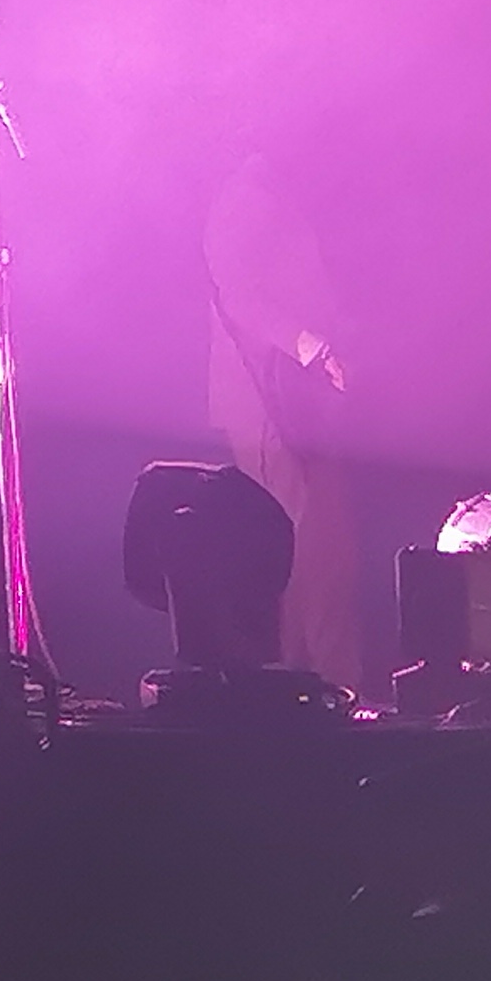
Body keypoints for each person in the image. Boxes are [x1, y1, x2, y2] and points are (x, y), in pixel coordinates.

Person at [202, 151, 361, 685]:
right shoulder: (242, 203)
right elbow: (240, 298)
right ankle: (330, 685)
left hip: (298, 401)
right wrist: (313, 347)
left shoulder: (277, 197)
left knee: (312, 551)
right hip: (266, 403)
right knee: (312, 550)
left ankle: (306, 686)